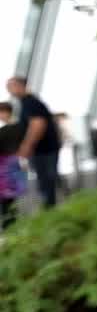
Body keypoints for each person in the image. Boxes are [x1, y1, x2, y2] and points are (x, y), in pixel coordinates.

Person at [6, 77, 60, 208]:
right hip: (44, 149)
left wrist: (27, 146)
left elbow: (37, 125)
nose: (9, 90)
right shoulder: (27, 102)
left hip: (44, 150)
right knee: (46, 181)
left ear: (20, 86)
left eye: (10, 86)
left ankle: (50, 212)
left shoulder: (30, 102)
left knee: (46, 182)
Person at [0, 123, 26, 229]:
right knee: (9, 203)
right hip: (8, 186)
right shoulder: (12, 158)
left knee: (7, 204)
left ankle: (9, 225)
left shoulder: (7, 157)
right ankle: (10, 225)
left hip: (6, 185)